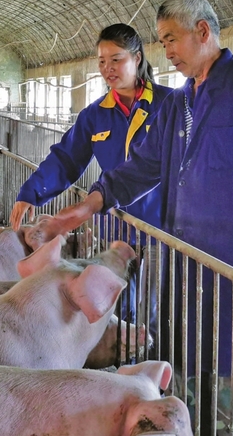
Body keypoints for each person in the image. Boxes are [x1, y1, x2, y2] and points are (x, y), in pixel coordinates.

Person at [44, 0, 233, 436]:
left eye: (171, 40)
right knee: (188, 358)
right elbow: (142, 168)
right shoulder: (179, 103)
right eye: (162, 41)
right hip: (187, 260)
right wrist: (86, 206)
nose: (166, 51)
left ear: (202, 32)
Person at [9, 23, 172, 324]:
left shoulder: (168, 105)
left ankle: (146, 362)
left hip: (161, 227)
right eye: (101, 61)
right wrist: (32, 192)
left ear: (137, 59)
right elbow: (67, 159)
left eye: (116, 59)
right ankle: (117, 363)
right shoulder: (96, 114)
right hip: (116, 225)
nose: (108, 68)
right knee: (115, 305)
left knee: (152, 306)